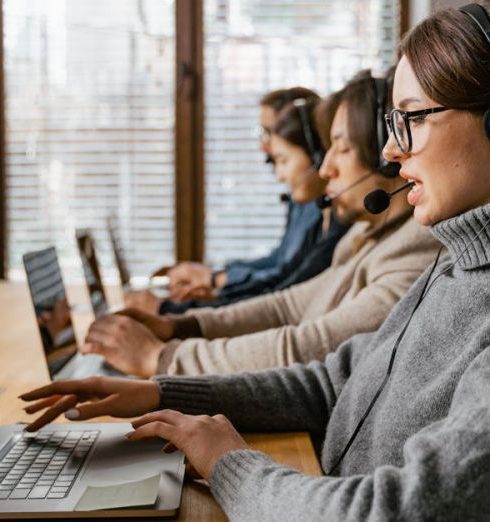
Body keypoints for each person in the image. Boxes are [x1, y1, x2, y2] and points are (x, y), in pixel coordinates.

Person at [20, 4, 490, 519]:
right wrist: (161, 391)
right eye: (390, 123)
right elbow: (334, 381)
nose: (390, 150)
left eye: (411, 118)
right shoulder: (453, 262)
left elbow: (391, 511)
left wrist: (229, 463)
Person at [75, 69, 440, 378]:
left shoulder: (414, 249)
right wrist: (179, 326)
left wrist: (162, 358)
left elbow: (310, 345)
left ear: (386, 160)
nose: (326, 168)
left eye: (341, 149)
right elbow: (285, 307)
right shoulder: (368, 233)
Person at [126, 87, 327, 313]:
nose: (265, 145)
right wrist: (216, 281)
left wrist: (211, 284)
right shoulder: (303, 200)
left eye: (268, 131)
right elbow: (279, 263)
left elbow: (283, 285)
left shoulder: (322, 209)